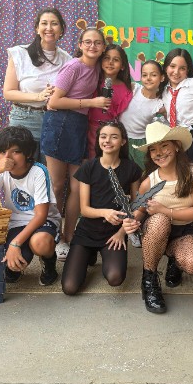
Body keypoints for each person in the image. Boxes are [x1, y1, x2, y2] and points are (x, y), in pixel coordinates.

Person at [41, 23, 110, 261]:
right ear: (80, 45)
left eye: (97, 43)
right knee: (57, 185)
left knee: (78, 187)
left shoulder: (98, 68)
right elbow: (54, 102)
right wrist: (91, 103)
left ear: (103, 47)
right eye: (87, 42)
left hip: (80, 126)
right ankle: (50, 234)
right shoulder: (74, 66)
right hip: (60, 123)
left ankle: (67, 237)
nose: (92, 46)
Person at [61, 121, 142, 295]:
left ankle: (102, 255)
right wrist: (105, 212)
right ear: (98, 140)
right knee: (69, 287)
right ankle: (88, 254)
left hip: (113, 233)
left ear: (123, 141)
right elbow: (84, 209)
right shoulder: (88, 167)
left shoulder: (132, 169)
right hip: (87, 232)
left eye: (114, 137)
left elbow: (136, 207)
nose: (107, 141)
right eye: (103, 136)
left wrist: (122, 232)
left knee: (115, 278)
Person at [134, 121, 193, 314]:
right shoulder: (149, 181)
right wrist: (130, 221)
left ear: (176, 146)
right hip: (155, 229)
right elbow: (139, 211)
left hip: (183, 231)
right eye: (153, 149)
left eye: (164, 146)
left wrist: (166, 210)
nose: (159, 153)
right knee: (160, 220)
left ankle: (174, 259)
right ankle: (149, 280)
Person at [0, 126, 61, 286]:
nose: (7, 158)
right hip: (16, 224)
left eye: (15, 152)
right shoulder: (2, 171)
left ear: (27, 153)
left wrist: (15, 243)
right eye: (2, 152)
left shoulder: (39, 171)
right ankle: (17, 263)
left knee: (39, 243)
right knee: (12, 266)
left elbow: (41, 216)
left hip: (43, 222)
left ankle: (49, 263)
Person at [3, 8, 71, 162]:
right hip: (23, 119)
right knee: (21, 169)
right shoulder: (20, 53)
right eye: (44, 23)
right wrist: (38, 96)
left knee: (47, 172)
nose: (49, 28)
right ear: (37, 28)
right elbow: (8, 92)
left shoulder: (67, 59)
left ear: (61, 30)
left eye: (54, 24)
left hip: (53, 121)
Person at [87, 44, 133, 158]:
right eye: (106, 58)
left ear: (122, 66)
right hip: (87, 130)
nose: (110, 62)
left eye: (116, 60)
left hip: (108, 135)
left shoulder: (126, 89)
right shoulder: (91, 80)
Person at [119, 59, 165, 170]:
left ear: (162, 78)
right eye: (144, 75)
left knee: (142, 172)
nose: (148, 78)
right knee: (121, 170)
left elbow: (171, 119)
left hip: (140, 142)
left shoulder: (159, 104)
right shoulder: (133, 88)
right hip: (121, 137)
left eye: (153, 75)